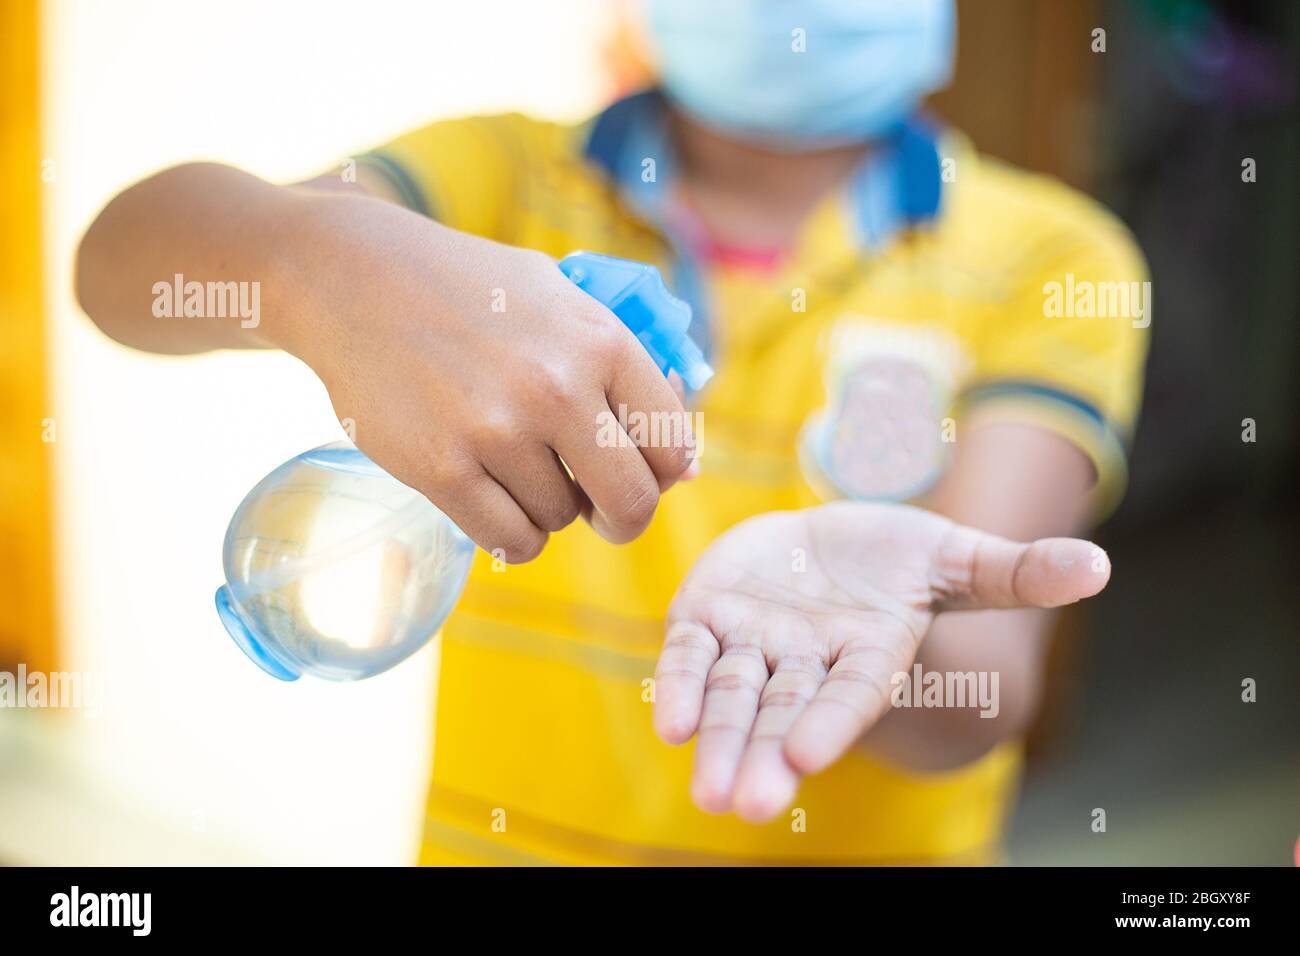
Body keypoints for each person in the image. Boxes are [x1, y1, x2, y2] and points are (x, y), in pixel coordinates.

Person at [75, 0, 1148, 864]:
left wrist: (879, 636)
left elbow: (984, 693)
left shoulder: (1052, 259)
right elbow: (119, 267)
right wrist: (320, 262)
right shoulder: (505, 180)